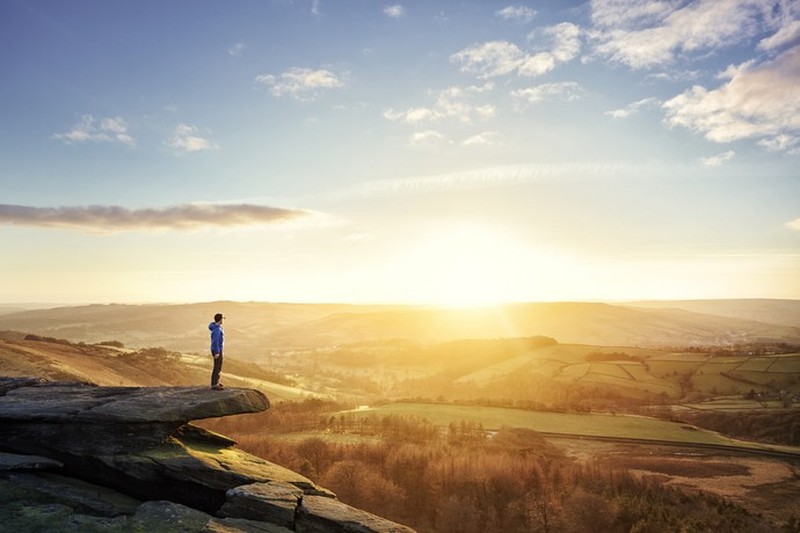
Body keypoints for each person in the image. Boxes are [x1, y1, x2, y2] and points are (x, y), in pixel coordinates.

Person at [208, 313, 225, 390]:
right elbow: (215, 342)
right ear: (220, 320)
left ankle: (216, 382)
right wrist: (217, 352)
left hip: (217, 349)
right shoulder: (217, 330)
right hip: (217, 350)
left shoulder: (216, 327)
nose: (223, 320)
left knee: (218, 366)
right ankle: (214, 384)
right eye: (222, 319)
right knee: (217, 366)